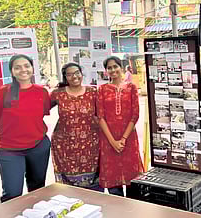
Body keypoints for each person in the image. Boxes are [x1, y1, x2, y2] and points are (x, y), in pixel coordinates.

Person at [0, 54, 51, 202]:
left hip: (38, 147)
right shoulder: (2, 93)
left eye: (26, 66)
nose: (23, 70)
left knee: (38, 189)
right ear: (12, 71)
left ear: (32, 68)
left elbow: (41, 114)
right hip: (10, 150)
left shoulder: (41, 92)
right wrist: (13, 133)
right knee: (12, 193)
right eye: (17, 67)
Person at [50, 63, 101, 191]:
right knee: (70, 191)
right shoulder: (58, 94)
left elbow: (104, 115)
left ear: (81, 73)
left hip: (91, 145)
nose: (74, 76)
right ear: (65, 77)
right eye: (69, 74)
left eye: (77, 72)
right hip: (66, 146)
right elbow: (39, 110)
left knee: (93, 187)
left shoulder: (93, 92)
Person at [97, 56, 143, 197]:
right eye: (109, 68)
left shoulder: (131, 87)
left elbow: (135, 115)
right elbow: (100, 117)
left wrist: (123, 139)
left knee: (132, 180)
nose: (113, 70)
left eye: (115, 66)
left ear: (121, 68)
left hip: (128, 139)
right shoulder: (102, 89)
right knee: (113, 181)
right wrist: (113, 142)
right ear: (106, 71)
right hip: (108, 140)